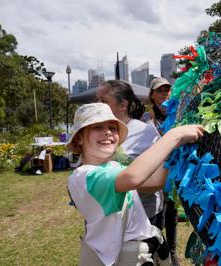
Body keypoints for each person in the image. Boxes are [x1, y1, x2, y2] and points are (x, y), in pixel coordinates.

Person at [67, 102, 204, 265]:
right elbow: (133, 177)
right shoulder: (83, 177)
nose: (108, 133)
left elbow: (155, 182)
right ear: (80, 138)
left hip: (142, 255)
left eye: (113, 128)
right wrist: (173, 136)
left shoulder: (114, 167)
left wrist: (171, 153)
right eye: (97, 127)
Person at [96, 80, 165, 230]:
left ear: (123, 105)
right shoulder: (94, 133)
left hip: (143, 216)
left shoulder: (145, 132)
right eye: (97, 100)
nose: (98, 105)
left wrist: (108, 184)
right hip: (105, 216)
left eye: (104, 101)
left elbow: (157, 182)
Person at [141, 77, 180, 265]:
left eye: (167, 90)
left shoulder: (178, 114)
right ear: (152, 96)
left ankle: (171, 252)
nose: (165, 94)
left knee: (172, 213)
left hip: (174, 171)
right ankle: (156, 250)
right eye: (160, 91)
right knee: (158, 213)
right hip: (155, 172)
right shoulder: (146, 120)